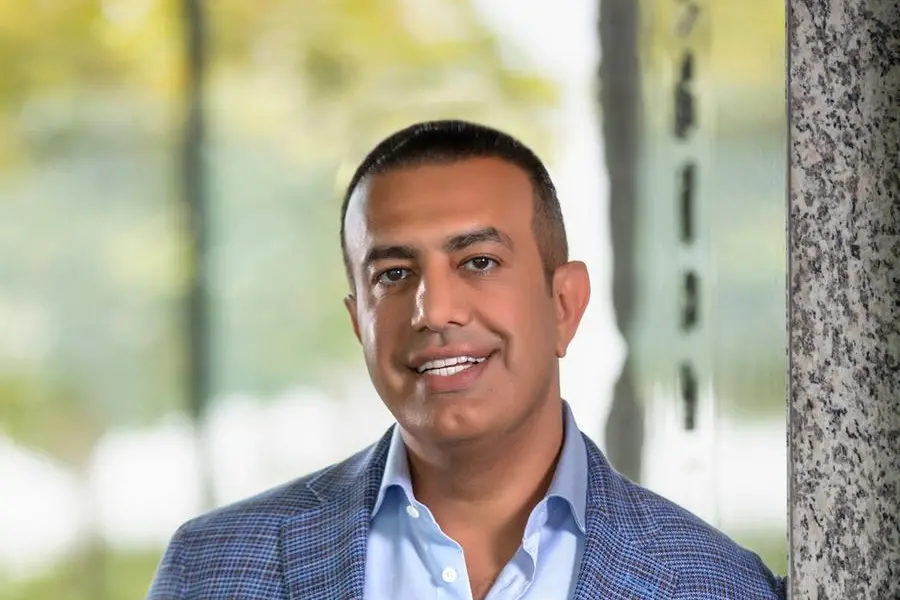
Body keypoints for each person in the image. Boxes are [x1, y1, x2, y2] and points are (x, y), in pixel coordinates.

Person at [147, 120, 786, 599]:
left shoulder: (720, 585)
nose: (434, 310)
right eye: (394, 274)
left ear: (564, 304)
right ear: (358, 322)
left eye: (478, 262)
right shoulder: (210, 569)